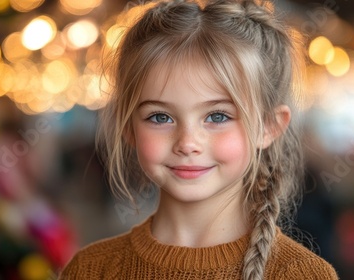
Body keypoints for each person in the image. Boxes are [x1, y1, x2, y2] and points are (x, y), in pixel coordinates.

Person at [60, 0, 338, 279]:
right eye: (160, 117)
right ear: (128, 126)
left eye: (217, 116)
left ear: (268, 126)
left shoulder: (305, 274)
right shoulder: (89, 270)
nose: (187, 142)